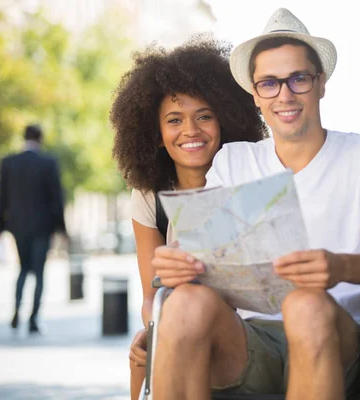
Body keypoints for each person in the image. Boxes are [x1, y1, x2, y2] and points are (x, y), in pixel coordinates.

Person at [150, 8, 360, 400]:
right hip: (247, 342)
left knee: (304, 304)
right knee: (185, 301)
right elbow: (207, 250)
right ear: (256, 95)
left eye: (298, 79)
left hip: (336, 335)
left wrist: (340, 265)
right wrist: (179, 260)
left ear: (321, 83)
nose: (285, 95)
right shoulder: (234, 160)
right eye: (270, 83)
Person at [109, 34, 268, 400]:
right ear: (156, 131)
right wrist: (154, 327)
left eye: (204, 116)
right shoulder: (149, 195)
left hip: (242, 326)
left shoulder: (249, 176)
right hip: (178, 315)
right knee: (140, 353)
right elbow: (153, 291)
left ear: (226, 119)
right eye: (174, 119)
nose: (190, 131)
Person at [0, 124, 67, 334]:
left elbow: (2, 197)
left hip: (17, 226)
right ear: (41, 139)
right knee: (39, 272)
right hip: (42, 227)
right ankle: (34, 319)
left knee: (23, 269)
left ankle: (16, 312)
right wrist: (62, 228)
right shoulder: (48, 163)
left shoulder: (9, 163)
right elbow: (57, 198)